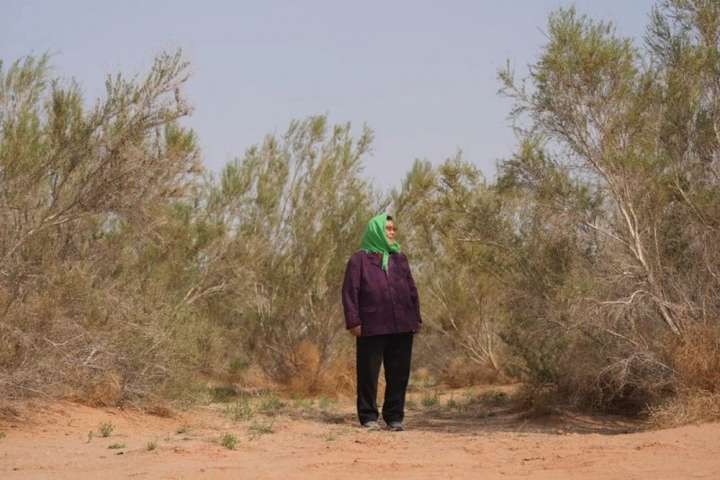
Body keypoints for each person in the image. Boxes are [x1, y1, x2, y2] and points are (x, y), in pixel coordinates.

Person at [341, 212, 422, 431]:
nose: (392, 232)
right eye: (388, 229)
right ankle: (368, 416)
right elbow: (349, 292)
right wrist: (353, 321)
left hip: (402, 324)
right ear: (376, 231)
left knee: (399, 374)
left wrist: (416, 317)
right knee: (368, 374)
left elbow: (411, 289)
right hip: (371, 326)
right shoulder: (359, 260)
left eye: (393, 229)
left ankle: (394, 417)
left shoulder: (400, 258)